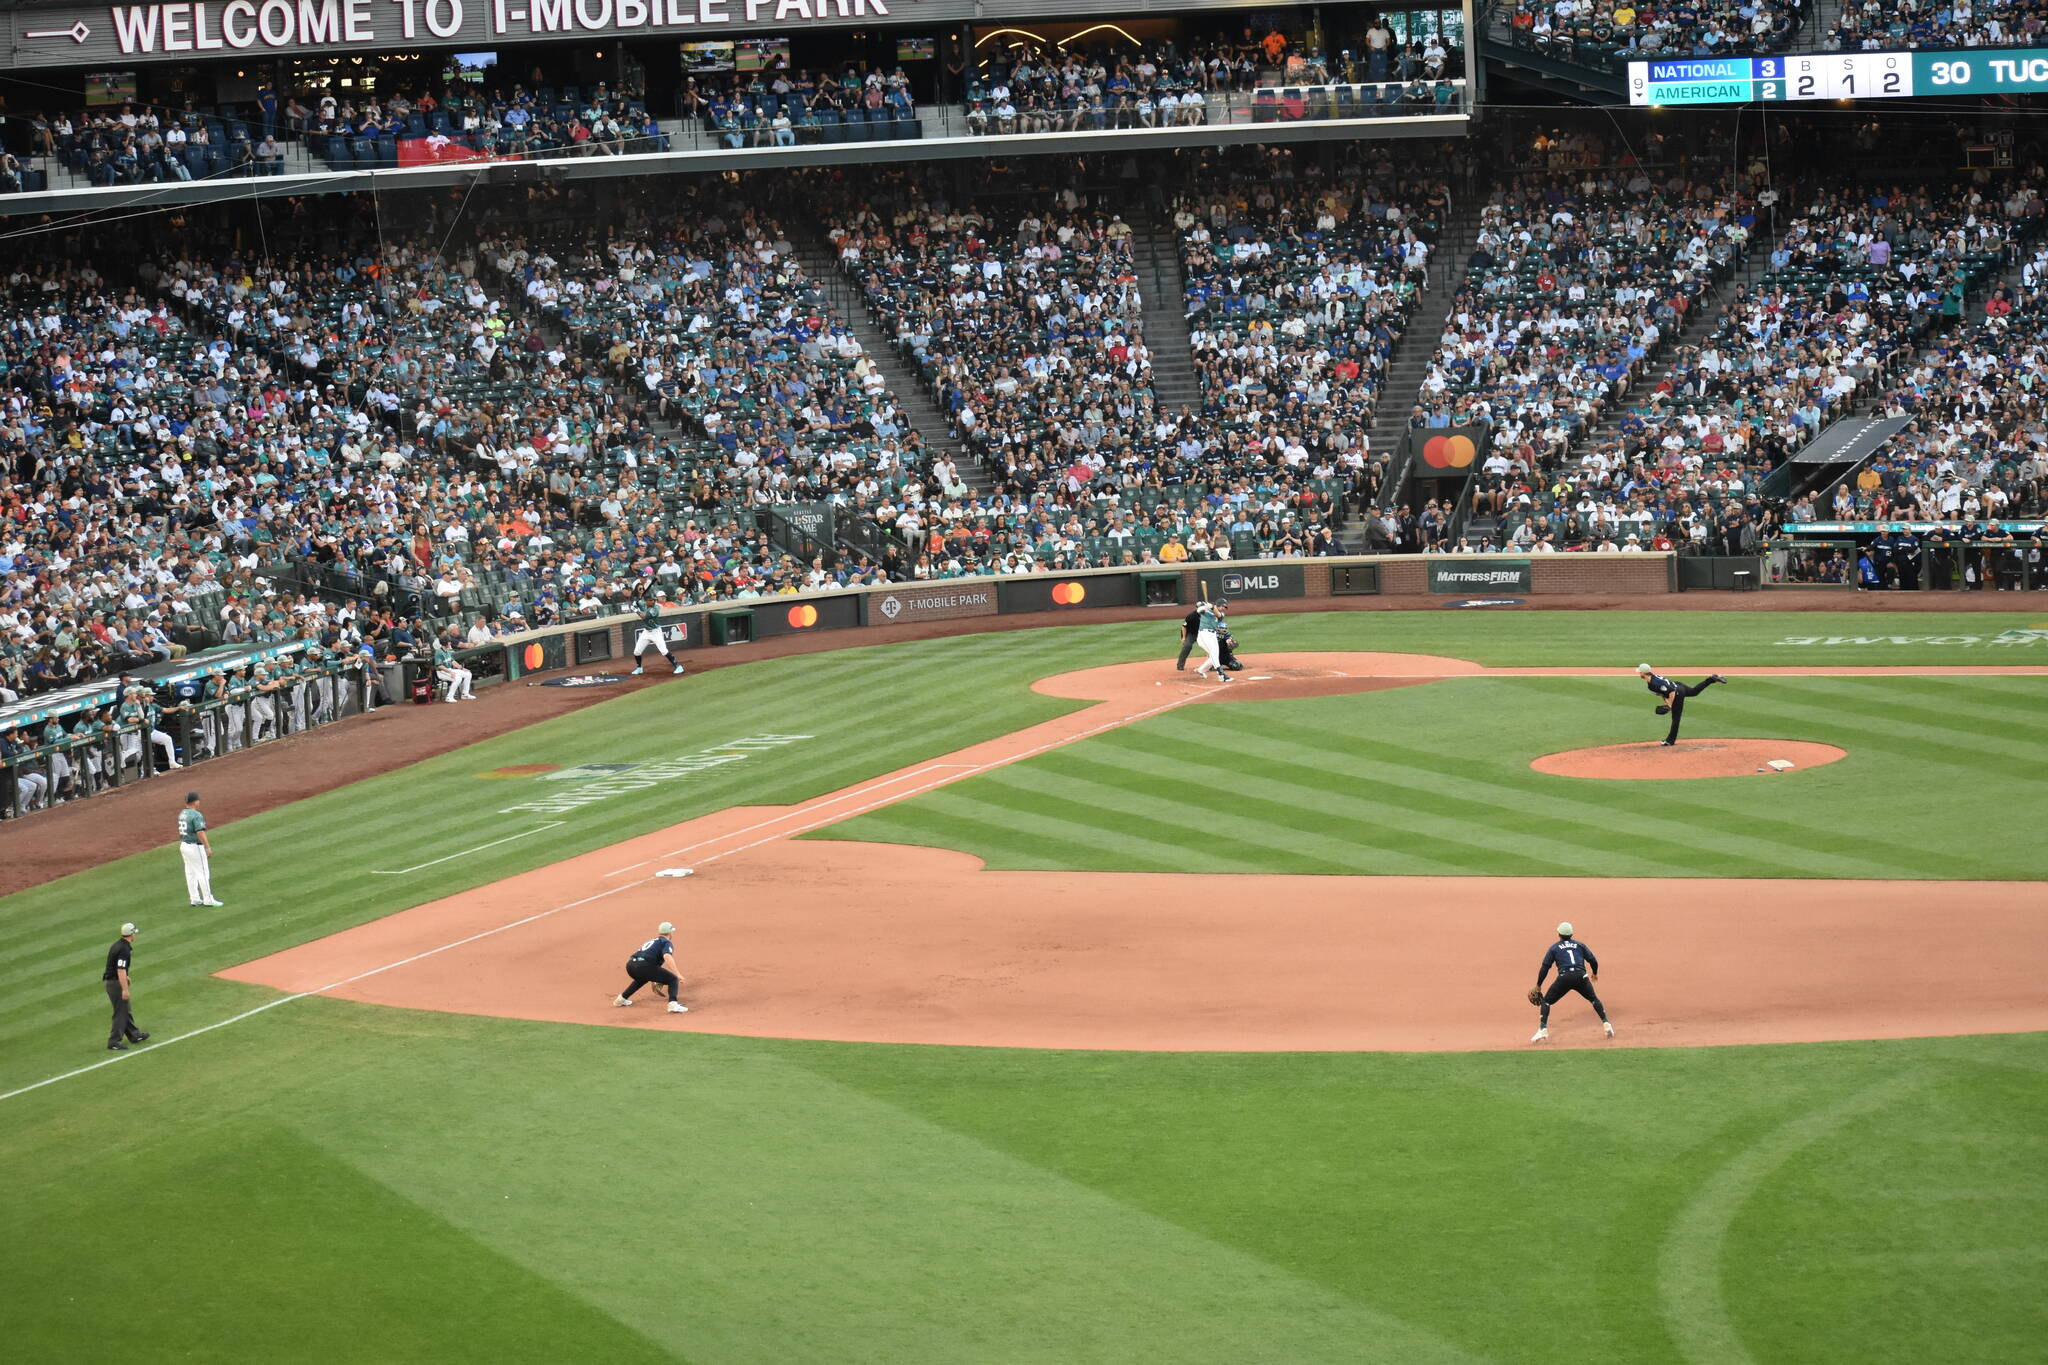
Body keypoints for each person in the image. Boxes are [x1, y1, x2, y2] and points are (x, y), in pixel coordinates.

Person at [1530, 921, 1610, 1042]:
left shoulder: (1554, 948)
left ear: (1559, 934)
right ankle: (1607, 1024)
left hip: (1565, 978)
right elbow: (1593, 960)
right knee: (1594, 999)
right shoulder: (1580, 945)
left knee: (1546, 1002)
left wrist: (1538, 985)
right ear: (1571, 934)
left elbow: (1545, 967)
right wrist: (1594, 973)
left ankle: (1543, 1030)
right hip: (1581, 976)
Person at [1637, 663, 1725, 746]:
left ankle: (1670, 741)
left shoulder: (1654, 683)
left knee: (1676, 718)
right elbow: (1662, 693)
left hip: (1677, 692)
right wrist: (1667, 703)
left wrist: (1670, 705)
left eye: (1639, 672)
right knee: (1694, 692)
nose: (1639, 673)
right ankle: (1711, 679)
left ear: (1643, 673)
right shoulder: (1652, 679)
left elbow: (1672, 691)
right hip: (1679, 686)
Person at [614, 921, 688, 1013]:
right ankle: (673, 1004)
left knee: (642, 979)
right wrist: (678, 974)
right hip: (644, 966)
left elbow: (651, 963)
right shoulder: (666, 942)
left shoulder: (652, 941)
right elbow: (667, 956)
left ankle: (621, 999)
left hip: (630, 965)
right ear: (669, 933)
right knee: (672, 979)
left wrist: (655, 978)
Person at [104, 922, 151, 1051]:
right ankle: (114, 1041)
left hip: (113, 980)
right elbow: (120, 969)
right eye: (134, 932)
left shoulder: (118, 944)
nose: (135, 934)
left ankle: (134, 1035)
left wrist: (126, 977)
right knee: (121, 1012)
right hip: (115, 983)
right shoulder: (124, 949)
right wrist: (124, 989)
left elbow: (114, 966)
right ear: (130, 934)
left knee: (125, 1009)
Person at [179, 790, 224, 907]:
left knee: (190, 873)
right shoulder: (196, 815)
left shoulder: (182, 813)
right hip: (195, 848)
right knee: (203, 873)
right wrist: (207, 847)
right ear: (195, 802)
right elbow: (200, 832)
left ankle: (194, 899)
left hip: (184, 845)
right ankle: (208, 899)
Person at [628, 594, 686, 676]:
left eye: (654, 600)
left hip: (656, 632)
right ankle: (639, 668)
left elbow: (644, 617)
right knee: (637, 651)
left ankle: (678, 666)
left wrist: (635, 609)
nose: (653, 601)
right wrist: (635, 601)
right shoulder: (643, 603)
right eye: (651, 600)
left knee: (664, 651)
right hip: (646, 632)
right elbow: (638, 602)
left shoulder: (655, 609)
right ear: (646, 601)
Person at [1191, 597, 1232, 683]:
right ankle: (1221, 675)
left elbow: (1218, 615)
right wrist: (1206, 606)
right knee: (1214, 654)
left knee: (1215, 656)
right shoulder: (1206, 611)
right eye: (1224, 607)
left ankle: (1201, 670)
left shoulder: (1221, 614)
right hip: (1204, 635)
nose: (1224, 609)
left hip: (1212, 635)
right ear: (1219, 605)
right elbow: (1199, 610)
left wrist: (1212, 607)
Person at [1174, 604, 1200, 670]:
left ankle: (1212, 665)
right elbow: (1184, 626)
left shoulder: (1207, 615)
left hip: (1203, 633)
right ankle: (1180, 665)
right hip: (1192, 634)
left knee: (1210, 646)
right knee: (1187, 646)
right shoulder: (1191, 616)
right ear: (1196, 608)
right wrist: (1183, 637)